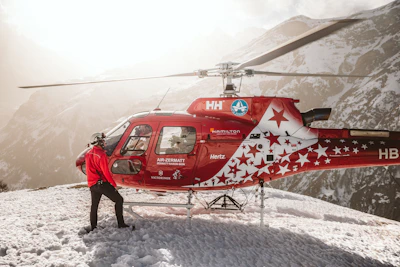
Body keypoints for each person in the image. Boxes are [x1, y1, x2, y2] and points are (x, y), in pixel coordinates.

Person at [85, 132, 132, 231]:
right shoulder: (101, 154)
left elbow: (88, 170)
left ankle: (93, 226)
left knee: (94, 206)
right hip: (102, 184)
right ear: (98, 142)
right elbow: (106, 172)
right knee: (119, 200)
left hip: (92, 184)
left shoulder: (88, 153)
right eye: (102, 141)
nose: (104, 142)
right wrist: (113, 184)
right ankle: (121, 224)